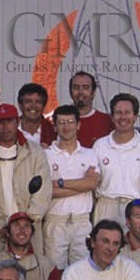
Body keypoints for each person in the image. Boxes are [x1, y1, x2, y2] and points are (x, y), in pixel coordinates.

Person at [0, 102, 52, 258]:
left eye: (9, 121)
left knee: (32, 276)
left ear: (17, 122)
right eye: (0, 122)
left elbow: (43, 191)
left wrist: (26, 225)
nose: (5, 127)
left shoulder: (34, 152)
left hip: (30, 231)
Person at [43, 104, 99, 266]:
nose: (66, 126)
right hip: (55, 222)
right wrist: (82, 185)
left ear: (78, 124)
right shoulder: (46, 155)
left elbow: (92, 183)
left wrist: (60, 183)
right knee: (54, 273)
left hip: (81, 222)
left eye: (70, 122)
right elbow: (46, 191)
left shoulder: (90, 154)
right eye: (61, 122)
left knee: (82, 272)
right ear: (54, 126)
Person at [91, 93, 140, 225]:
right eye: (118, 112)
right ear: (112, 116)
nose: (123, 117)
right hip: (106, 205)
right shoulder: (100, 145)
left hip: (137, 207)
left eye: (127, 112)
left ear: (135, 116)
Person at [67, 70, 113, 146]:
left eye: (85, 87)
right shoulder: (59, 121)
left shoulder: (107, 122)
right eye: (76, 87)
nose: (80, 92)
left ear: (93, 92)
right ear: (70, 91)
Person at [17, 82, 56, 147]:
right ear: (20, 105)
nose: (33, 106)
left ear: (44, 106)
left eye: (38, 102)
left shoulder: (53, 132)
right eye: (28, 101)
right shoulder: (10, 130)